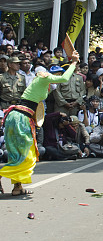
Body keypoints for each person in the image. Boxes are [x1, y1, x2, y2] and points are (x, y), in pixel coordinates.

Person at [0, 51, 79, 195]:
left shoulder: (41, 82)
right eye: (56, 73)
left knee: (19, 153)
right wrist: (73, 62)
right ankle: (3, 175)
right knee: (27, 154)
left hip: (19, 116)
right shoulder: (44, 77)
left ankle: (17, 187)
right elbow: (65, 78)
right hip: (20, 118)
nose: (57, 76)